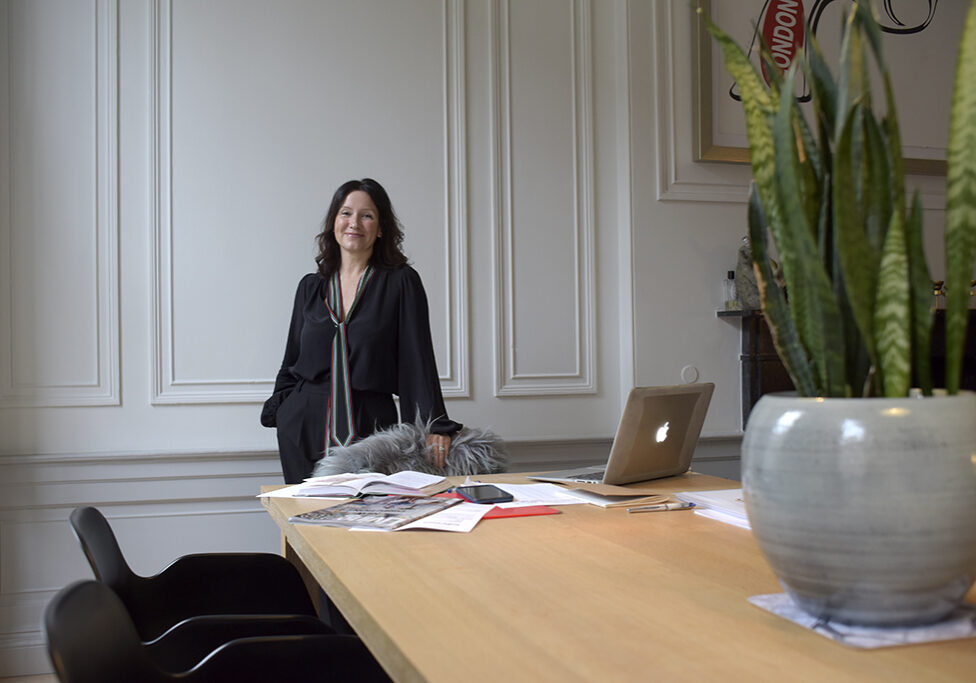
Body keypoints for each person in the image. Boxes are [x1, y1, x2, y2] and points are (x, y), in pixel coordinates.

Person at [262, 178, 462, 484]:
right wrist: (284, 410)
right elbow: (292, 359)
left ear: (381, 228)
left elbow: (416, 359)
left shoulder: (401, 283)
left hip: (371, 424)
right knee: (307, 522)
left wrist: (433, 425)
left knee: (366, 522)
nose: (354, 223)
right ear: (333, 223)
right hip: (303, 423)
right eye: (345, 213)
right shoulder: (311, 288)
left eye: (367, 215)